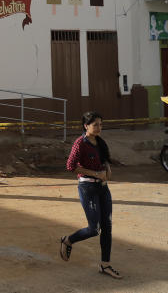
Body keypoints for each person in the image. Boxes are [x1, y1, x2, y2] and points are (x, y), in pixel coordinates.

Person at [60, 111, 121, 279]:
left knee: (107, 227)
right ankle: (68, 240)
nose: (99, 128)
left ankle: (105, 265)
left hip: (103, 188)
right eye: (95, 125)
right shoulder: (79, 143)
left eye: (101, 125)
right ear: (86, 126)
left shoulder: (100, 142)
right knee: (94, 229)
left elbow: (105, 160)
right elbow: (70, 166)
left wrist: (107, 169)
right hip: (87, 188)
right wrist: (95, 174)